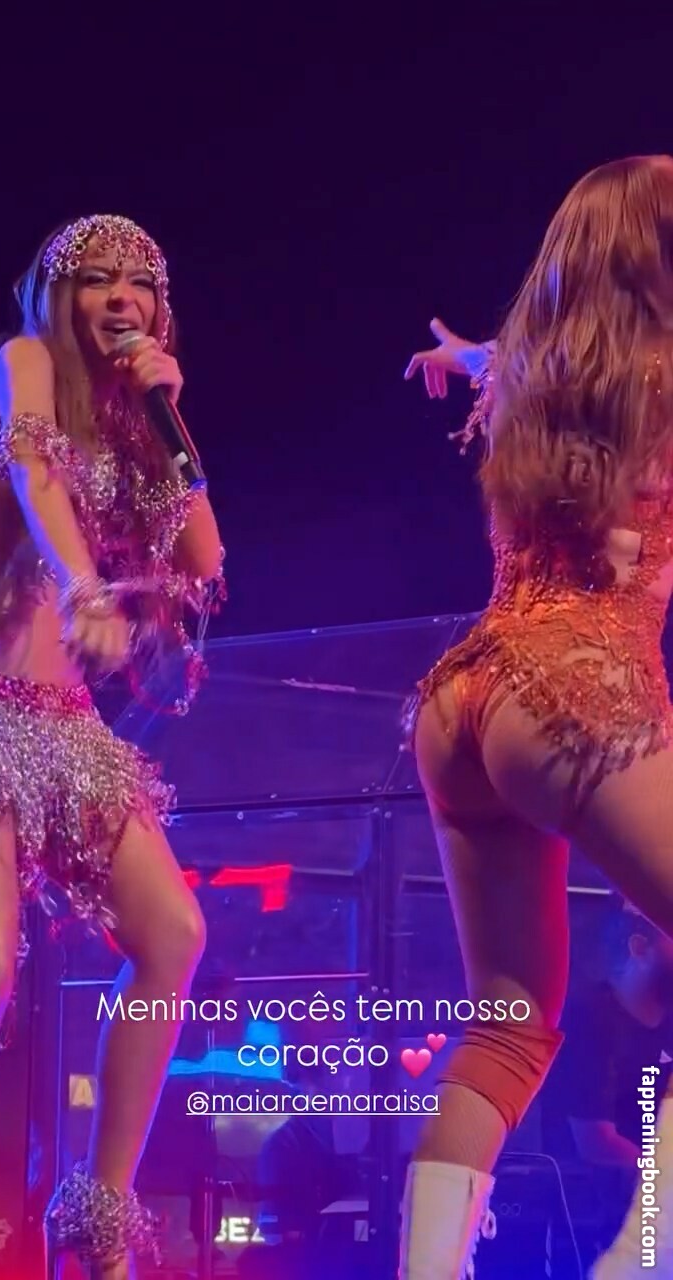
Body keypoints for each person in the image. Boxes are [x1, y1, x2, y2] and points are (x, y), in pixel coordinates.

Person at [402, 156, 673, 1279]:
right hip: (576, 684)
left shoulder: (543, 374)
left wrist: (466, 355)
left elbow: (502, 358)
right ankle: (640, 1261)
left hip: (465, 696)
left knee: (509, 1023)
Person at [0, 215, 225, 1278]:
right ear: (56, 295)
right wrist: (82, 587)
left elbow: (204, 556)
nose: (121, 298)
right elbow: (32, 473)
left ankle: (96, 1219)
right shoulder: (22, 362)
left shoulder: (133, 419)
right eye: (97, 279)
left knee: (172, 932)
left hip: (62, 723)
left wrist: (170, 415)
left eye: (140, 283)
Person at [542, 899, 673, 1267]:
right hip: (597, 1210)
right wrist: (663, 1178)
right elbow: (596, 1143)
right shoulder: (590, 1020)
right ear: (640, 948)